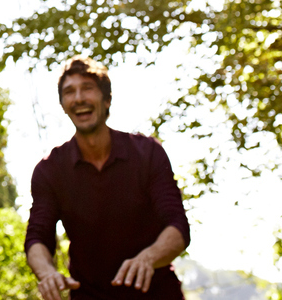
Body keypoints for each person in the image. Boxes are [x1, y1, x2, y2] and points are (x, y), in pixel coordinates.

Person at [24, 57, 190, 299]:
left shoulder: (147, 153)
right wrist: (48, 273)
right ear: (63, 105)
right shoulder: (50, 171)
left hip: (157, 293)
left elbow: (177, 226)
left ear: (107, 99)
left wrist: (148, 258)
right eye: (70, 92)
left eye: (87, 88)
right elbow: (38, 236)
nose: (79, 98)